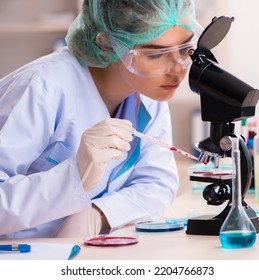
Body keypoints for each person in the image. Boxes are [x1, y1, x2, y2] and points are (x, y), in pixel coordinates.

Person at [0, 0, 200, 238]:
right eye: (156, 54)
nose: (178, 69)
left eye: (185, 48)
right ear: (107, 44)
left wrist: (98, 215)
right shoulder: (42, 88)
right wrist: (73, 176)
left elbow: (157, 184)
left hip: (85, 253)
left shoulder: (149, 93)